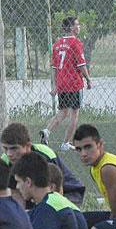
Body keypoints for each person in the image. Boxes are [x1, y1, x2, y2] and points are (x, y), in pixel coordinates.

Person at [0, 122, 86, 208]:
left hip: (67, 193)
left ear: (28, 146)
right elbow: (16, 194)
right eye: (5, 148)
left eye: (14, 148)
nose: (9, 154)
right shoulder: (5, 161)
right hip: (36, 195)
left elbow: (56, 191)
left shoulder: (44, 155)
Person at [40, 16, 92, 151]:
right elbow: (81, 65)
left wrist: (56, 86)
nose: (79, 27)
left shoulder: (57, 44)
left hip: (62, 83)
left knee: (62, 112)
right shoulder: (76, 43)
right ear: (71, 28)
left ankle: (47, 131)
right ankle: (65, 143)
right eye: (77, 24)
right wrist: (88, 79)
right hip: (74, 83)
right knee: (74, 113)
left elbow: (55, 67)